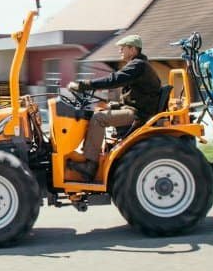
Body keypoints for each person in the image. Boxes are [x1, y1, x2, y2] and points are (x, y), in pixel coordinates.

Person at [64, 35, 163, 180]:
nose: (120, 51)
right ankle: (90, 153)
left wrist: (83, 85)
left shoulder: (138, 65)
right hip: (137, 109)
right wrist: (116, 105)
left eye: (123, 48)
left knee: (98, 118)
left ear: (133, 49)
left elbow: (114, 80)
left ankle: (90, 164)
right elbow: (135, 95)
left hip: (138, 114)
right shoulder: (138, 65)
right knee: (100, 110)